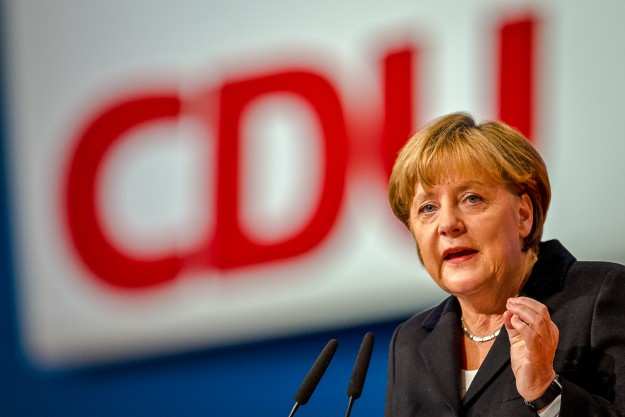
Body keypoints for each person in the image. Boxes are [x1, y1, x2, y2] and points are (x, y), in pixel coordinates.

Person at [384, 112, 625, 416]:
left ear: (523, 215)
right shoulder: (410, 343)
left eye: (472, 198)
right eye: (428, 208)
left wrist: (546, 393)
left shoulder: (601, 298)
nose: (447, 224)